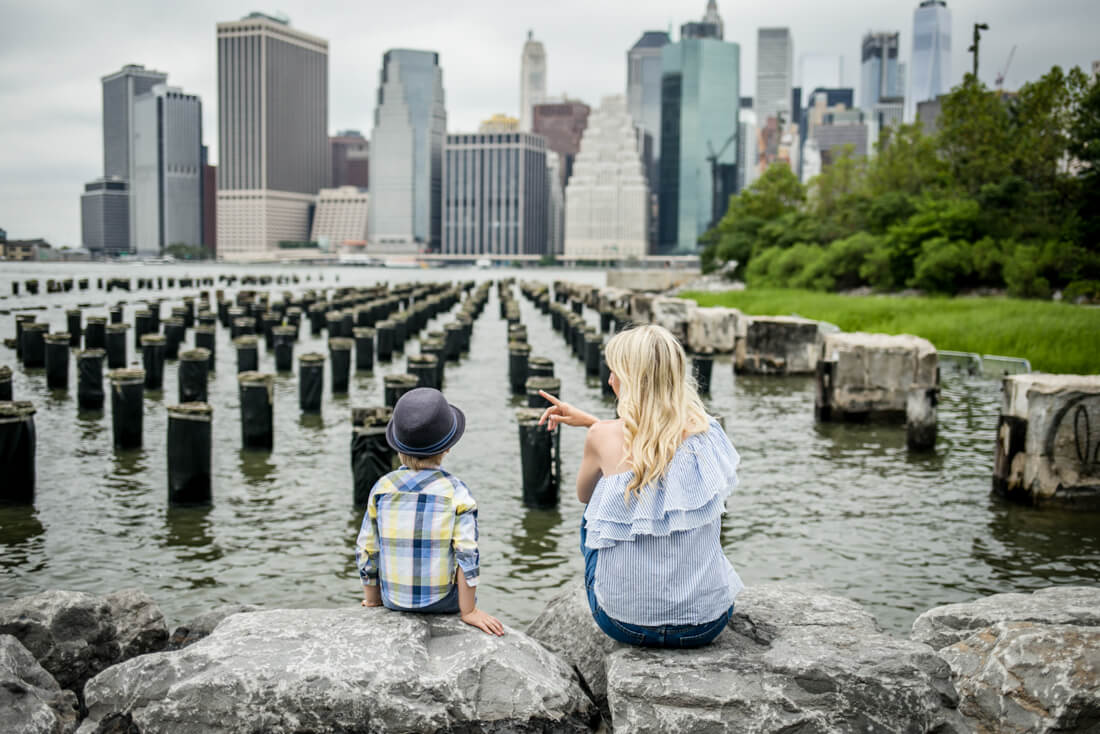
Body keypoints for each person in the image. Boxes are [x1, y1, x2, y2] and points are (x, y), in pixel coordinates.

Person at [538, 324, 743, 648]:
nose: (609, 380)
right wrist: (596, 422)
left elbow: (583, 495)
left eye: (614, 372)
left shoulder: (601, 438)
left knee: (597, 509)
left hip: (623, 622)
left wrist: (597, 428)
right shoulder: (707, 431)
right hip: (705, 624)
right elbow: (653, 447)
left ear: (632, 380)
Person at [355, 387, 504, 636]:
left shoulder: (381, 488)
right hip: (442, 603)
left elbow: (367, 548)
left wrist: (373, 599)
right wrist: (468, 612)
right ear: (447, 448)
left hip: (393, 599)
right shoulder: (457, 492)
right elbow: (467, 553)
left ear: (397, 447)